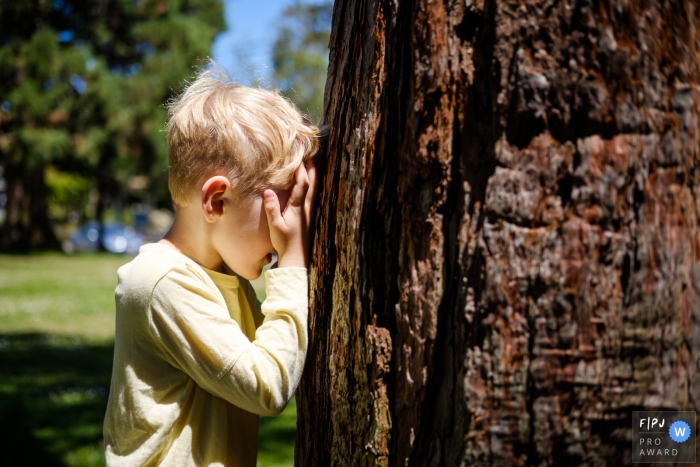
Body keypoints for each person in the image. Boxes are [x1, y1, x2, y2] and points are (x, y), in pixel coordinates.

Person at [103, 66, 320, 467]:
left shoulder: (224, 273)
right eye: (282, 207)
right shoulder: (160, 282)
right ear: (217, 201)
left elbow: (283, 348)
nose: (289, 228)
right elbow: (268, 385)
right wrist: (292, 260)